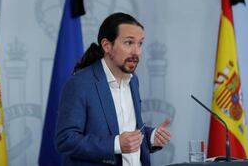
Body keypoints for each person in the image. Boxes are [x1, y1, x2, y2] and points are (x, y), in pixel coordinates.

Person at [55, 12, 171, 166]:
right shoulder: (79, 84)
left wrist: (151, 137)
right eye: (129, 43)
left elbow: (130, 128)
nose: (136, 52)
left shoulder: (133, 80)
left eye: (140, 43)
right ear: (107, 46)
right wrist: (115, 144)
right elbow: (66, 140)